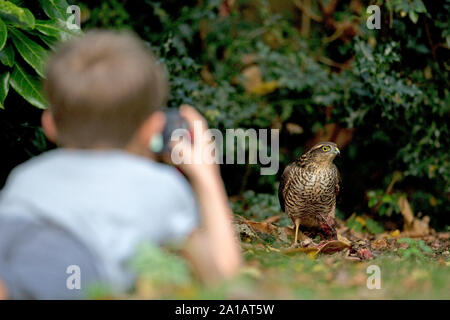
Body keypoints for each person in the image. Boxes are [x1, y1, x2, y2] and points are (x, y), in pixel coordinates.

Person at [0, 30, 241, 299]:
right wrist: (207, 177)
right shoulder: (160, 186)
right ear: (153, 128)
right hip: (67, 268)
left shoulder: (26, 177)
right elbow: (224, 276)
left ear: (50, 124)